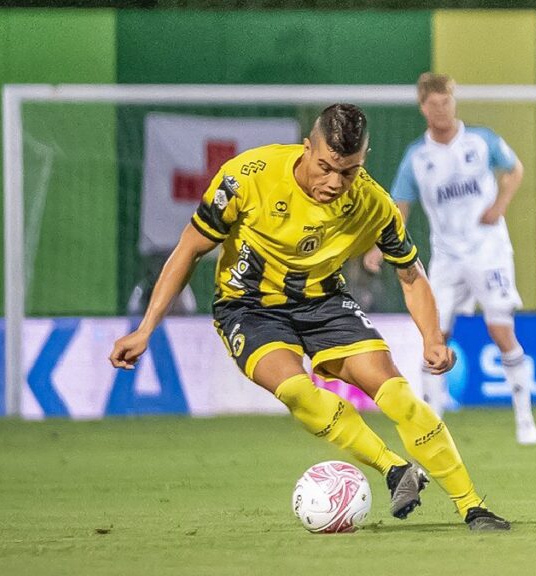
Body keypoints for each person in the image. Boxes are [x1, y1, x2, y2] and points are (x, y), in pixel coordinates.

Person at [109, 104, 510, 531]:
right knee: (297, 390)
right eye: (325, 167)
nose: (335, 182)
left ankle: (473, 506)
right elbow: (189, 248)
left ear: (364, 160)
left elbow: (411, 275)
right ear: (307, 148)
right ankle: (394, 469)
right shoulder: (248, 176)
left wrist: (432, 337)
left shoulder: (374, 205)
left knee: (399, 397)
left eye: (349, 171)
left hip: (324, 302)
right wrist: (146, 328)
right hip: (248, 307)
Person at [365, 72, 536, 445]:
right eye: (434, 104)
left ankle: (525, 420)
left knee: (500, 330)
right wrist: (379, 246)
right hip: (446, 258)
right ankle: (433, 426)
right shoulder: (417, 156)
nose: (441, 110)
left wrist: (499, 205)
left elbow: (514, 169)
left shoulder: (481, 140)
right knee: (435, 336)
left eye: (446, 102)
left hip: (489, 251)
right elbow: (400, 204)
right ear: (422, 107)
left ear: (453, 102)